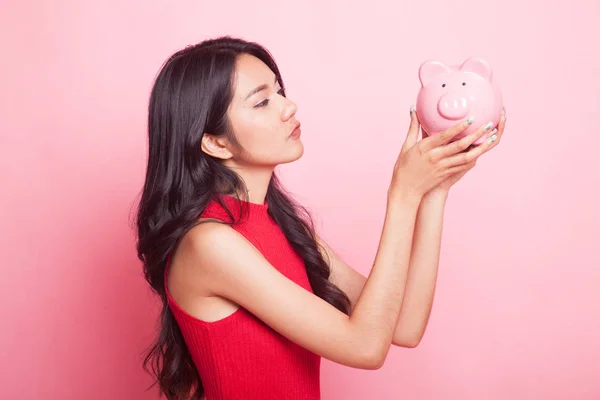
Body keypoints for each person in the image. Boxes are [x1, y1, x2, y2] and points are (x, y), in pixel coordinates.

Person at [135, 36, 506, 400]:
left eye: (279, 91)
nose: (288, 106)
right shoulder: (210, 243)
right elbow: (365, 348)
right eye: (262, 101)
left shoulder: (282, 225)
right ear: (215, 142)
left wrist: (435, 191)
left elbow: (405, 326)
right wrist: (403, 194)